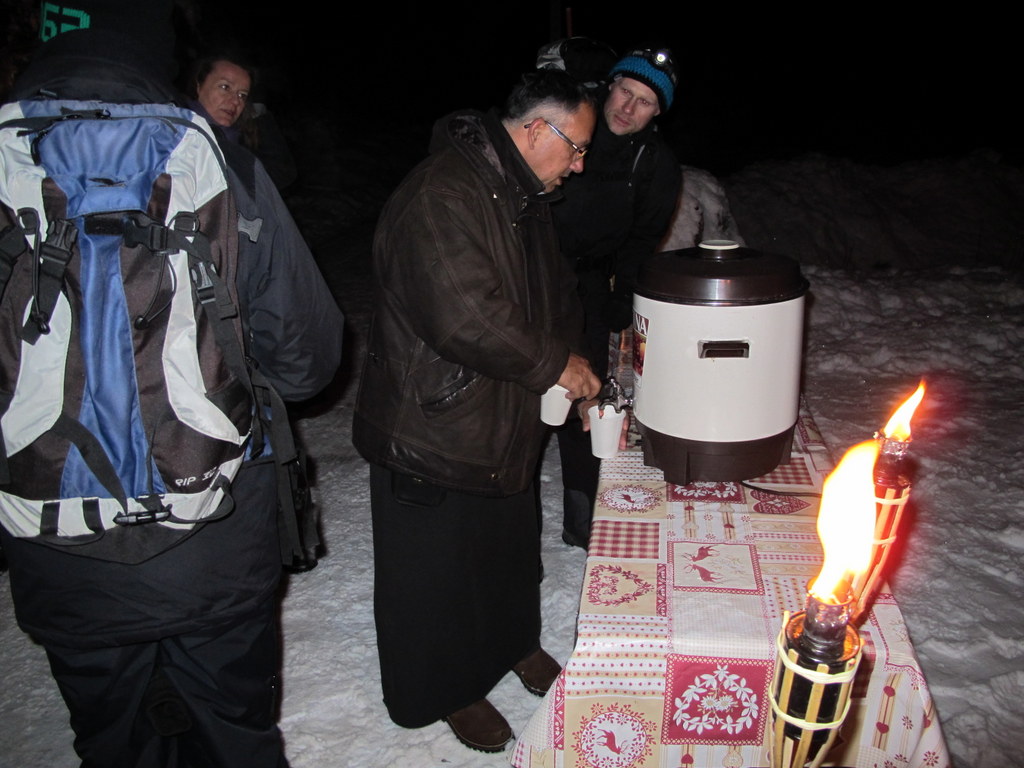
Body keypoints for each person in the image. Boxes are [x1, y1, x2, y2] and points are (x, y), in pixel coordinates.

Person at [0, 3, 343, 766]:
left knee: (111, 733)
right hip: (212, 530)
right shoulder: (222, 165)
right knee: (233, 724)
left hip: (56, 543)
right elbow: (308, 360)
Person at [351, 69, 602, 753]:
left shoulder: (522, 195)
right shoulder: (440, 194)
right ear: (533, 131)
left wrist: (576, 364)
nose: (580, 165)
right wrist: (555, 364)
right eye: (575, 147)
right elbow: (464, 315)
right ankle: (442, 688)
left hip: (499, 417)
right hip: (433, 423)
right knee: (431, 573)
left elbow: (555, 295)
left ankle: (511, 645)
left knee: (505, 552)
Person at [540, 42, 683, 549]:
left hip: (590, 285)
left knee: (584, 390)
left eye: (645, 101)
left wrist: (624, 292)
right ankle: (508, 507)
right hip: (533, 271)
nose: (628, 107)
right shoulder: (570, 122)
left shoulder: (654, 163)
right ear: (609, 87)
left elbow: (643, 239)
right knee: (523, 384)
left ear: (657, 112)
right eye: (625, 90)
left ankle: (581, 515)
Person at [187, 51, 298, 191]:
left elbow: (281, 172)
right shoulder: (176, 131)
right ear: (199, 85)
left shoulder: (239, 146)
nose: (235, 101)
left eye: (242, 95)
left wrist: (259, 114)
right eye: (225, 87)